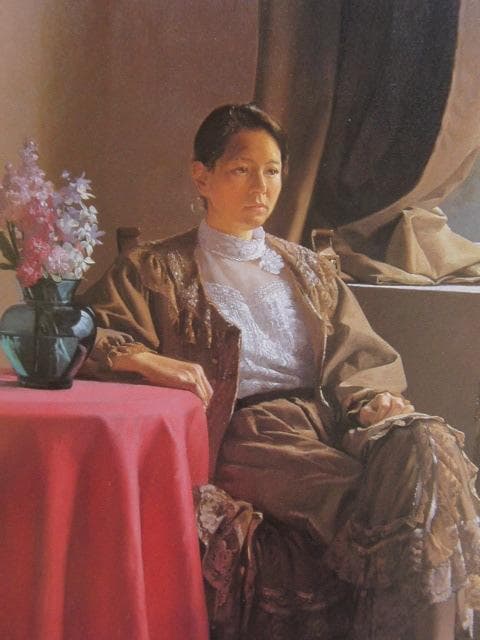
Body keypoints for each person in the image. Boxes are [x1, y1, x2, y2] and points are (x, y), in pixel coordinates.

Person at [82, 104, 480, 640]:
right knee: (379, 504)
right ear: (201, 177)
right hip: (247, 435)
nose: (260, 187)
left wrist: (373, 400)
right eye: (241, 170)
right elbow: (84, 334)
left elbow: (359, 358)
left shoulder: (309, 269)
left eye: (271, 171)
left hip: (326, 422)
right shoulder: (155, 268)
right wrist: (144, 357)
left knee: (427, 445)